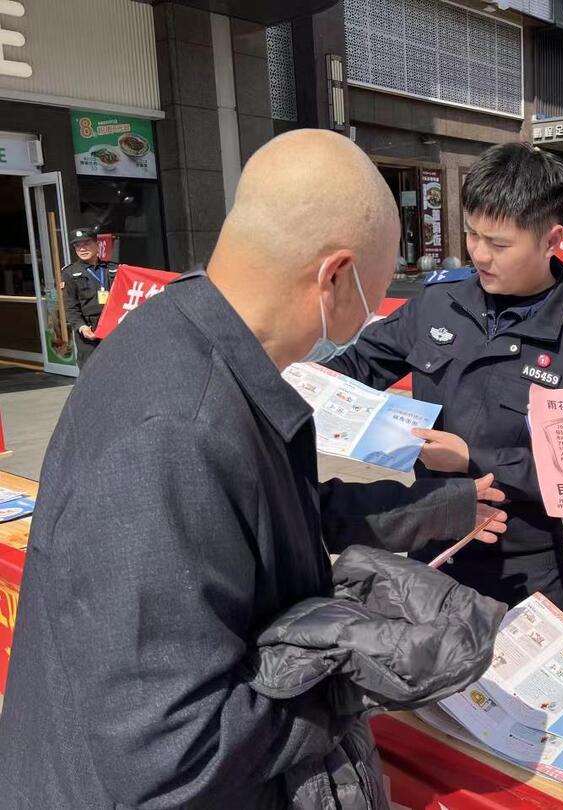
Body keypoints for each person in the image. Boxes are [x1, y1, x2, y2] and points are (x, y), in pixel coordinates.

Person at [0, 130, 509, 808]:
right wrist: (351, 682)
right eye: (375, 294)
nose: (371, 318)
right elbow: (174, 753)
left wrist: (435, 510)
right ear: (334, 277)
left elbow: (281, 510)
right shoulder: (176, 430)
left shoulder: (179, 339)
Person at [328, 143, 563, 611]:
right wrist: (303, 387)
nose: (480, 254)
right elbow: (361, 365)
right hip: (432, 536)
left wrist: (473, 458)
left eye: (499, 244)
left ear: (551, 240)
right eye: (472, 235)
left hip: (523, 566)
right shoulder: (439, 301)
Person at [61, 225, 119, 368]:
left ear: (97, 244)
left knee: (118, 370)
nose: (82, 249)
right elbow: (70, 307)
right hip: (89, 333)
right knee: (91, 373)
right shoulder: (70, 273)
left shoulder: (114, 269)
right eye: (77, 246)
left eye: (86, 243)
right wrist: (81, 327)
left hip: (113, 330)